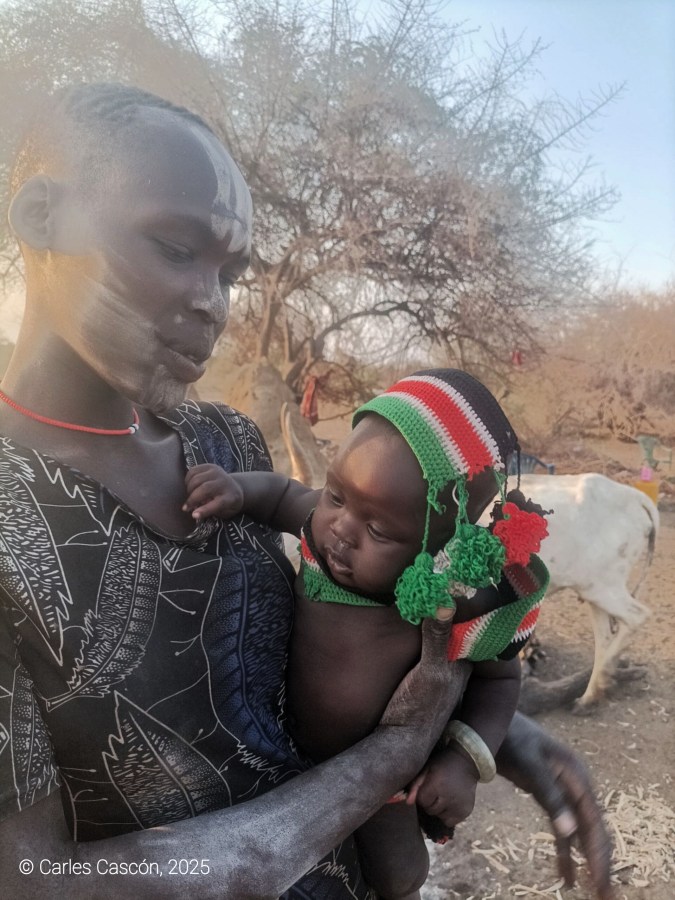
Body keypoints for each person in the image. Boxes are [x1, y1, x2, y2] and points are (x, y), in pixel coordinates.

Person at [0, 81, 615, 900]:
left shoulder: (222, 444)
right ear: (42, 217)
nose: (211, 304)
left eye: (230, 273)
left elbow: (318, 651)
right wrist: (389, 758)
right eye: (176, 249)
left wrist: (504, 739)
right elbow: (31, 880)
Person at [183, 368, 550, 898]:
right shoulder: (324, 523)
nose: (342, 528)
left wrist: (465, 763)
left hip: (378, 777)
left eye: (378, 529)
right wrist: (238, 489)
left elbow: (499, 680)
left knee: (399, 874)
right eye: (337, 495)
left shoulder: (453, 596)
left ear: (441, 544)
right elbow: (283, 493)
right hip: (278, 751)